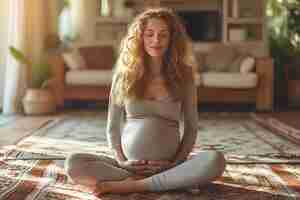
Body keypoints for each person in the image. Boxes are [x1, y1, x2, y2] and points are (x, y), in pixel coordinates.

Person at [64, 8, 226, 196]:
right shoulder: (124, 75)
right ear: (140, 37)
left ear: (172, 39)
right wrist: (121, 160)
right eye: (149, 34)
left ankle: (132, 185)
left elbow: (191, 128)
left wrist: (176, 163)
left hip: (169, 166)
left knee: (216, 160)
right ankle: (161, 182)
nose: (156, 41)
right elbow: (113, 127)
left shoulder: (184, 75)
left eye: (163, 35)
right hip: (127, 167)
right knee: (73, 163)